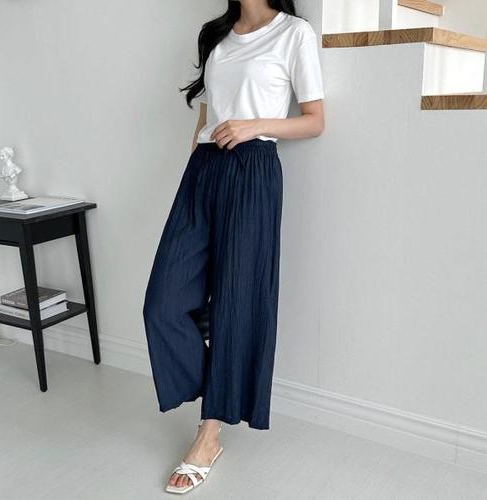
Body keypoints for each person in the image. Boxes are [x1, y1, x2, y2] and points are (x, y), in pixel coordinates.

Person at [143, 0, 325, 494]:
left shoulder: (294, 33)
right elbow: (206, 114)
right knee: (162, 304)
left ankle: (209, 435)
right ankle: (221, 354)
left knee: (237, 301)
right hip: (203, 170)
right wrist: (194, 171)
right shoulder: (214, 34)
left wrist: (254, 125)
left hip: (253, 168)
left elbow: (314, 120)